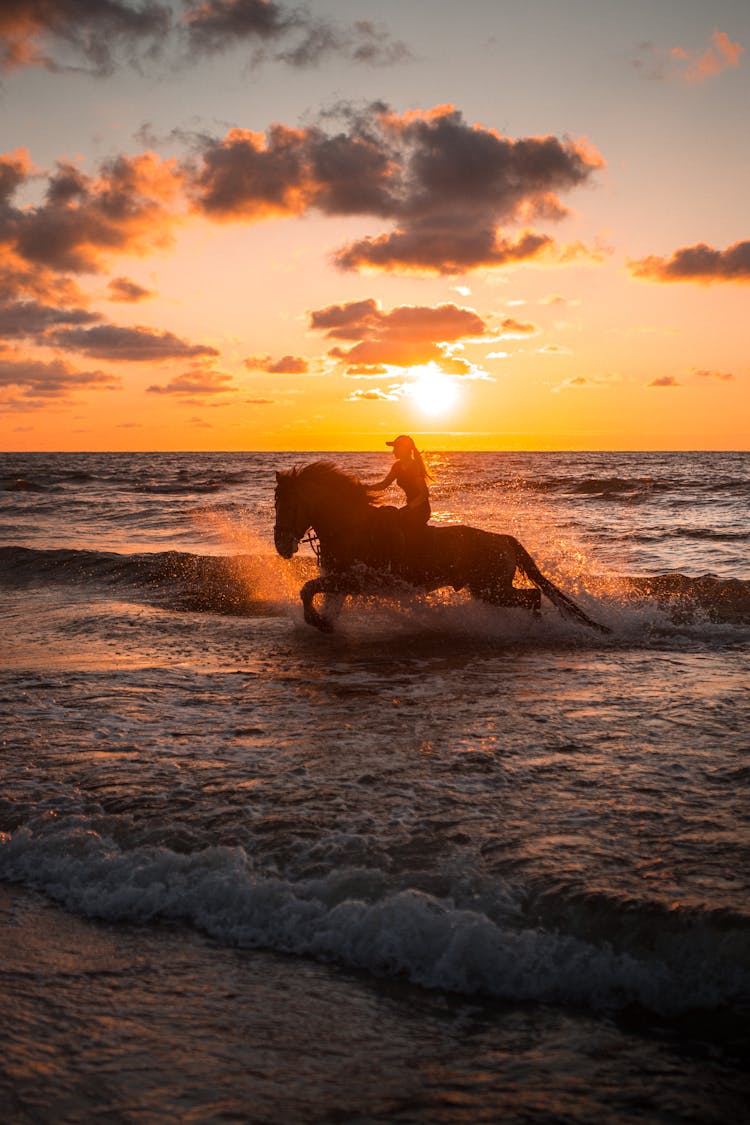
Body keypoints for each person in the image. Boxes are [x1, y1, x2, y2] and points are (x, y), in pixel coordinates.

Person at [369, 434, 431, 532]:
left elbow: (424, 494)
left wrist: (407, 509)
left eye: (396, 448)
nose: (393, 451)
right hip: (409, 509)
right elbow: (383, 484)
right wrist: (364, 488)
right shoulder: (397, 466)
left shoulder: (415, 467)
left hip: (420, 510)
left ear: (404, 449)